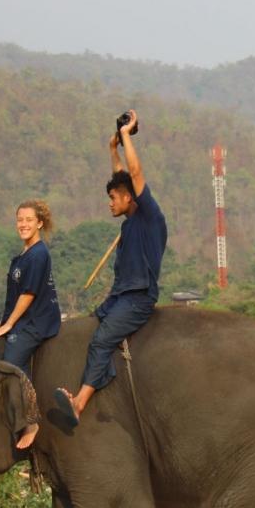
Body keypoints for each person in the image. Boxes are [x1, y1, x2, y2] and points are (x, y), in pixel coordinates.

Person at [56, 110, 166, 423]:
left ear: (129, 198)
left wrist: (127, 135)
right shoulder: (130, 218)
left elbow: (134, 173)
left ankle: (79, 403)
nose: (110, 202)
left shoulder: (149, 216)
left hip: (138, 298)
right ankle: (100, 377)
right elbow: (123, 178)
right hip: (119, 296)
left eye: (113, 198)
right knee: (90, 328)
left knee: (103, 339)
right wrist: (112, 149)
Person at [0, 199, 61, 449]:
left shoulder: (39, 254)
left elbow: (28, 294)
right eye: (20, 220)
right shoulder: (22, 256)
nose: (23, 224)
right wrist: (2, 323)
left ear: (39, 223)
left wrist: (9, 326)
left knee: (11, 363)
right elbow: (13, 296)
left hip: (37, 321)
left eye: (29, 220)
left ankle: (31, 422)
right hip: (23, 318)